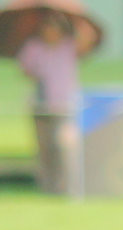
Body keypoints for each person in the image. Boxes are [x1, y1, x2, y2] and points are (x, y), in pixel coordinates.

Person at [16, 11, 81, 197]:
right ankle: (47, 185)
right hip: (41, 104)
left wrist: (75, 20)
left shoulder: (68, 47)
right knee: (44, 148)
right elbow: (25, 69)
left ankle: (66, 184)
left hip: (65, 105)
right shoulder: (33, 48)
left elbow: (85, 41)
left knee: (64, 145)